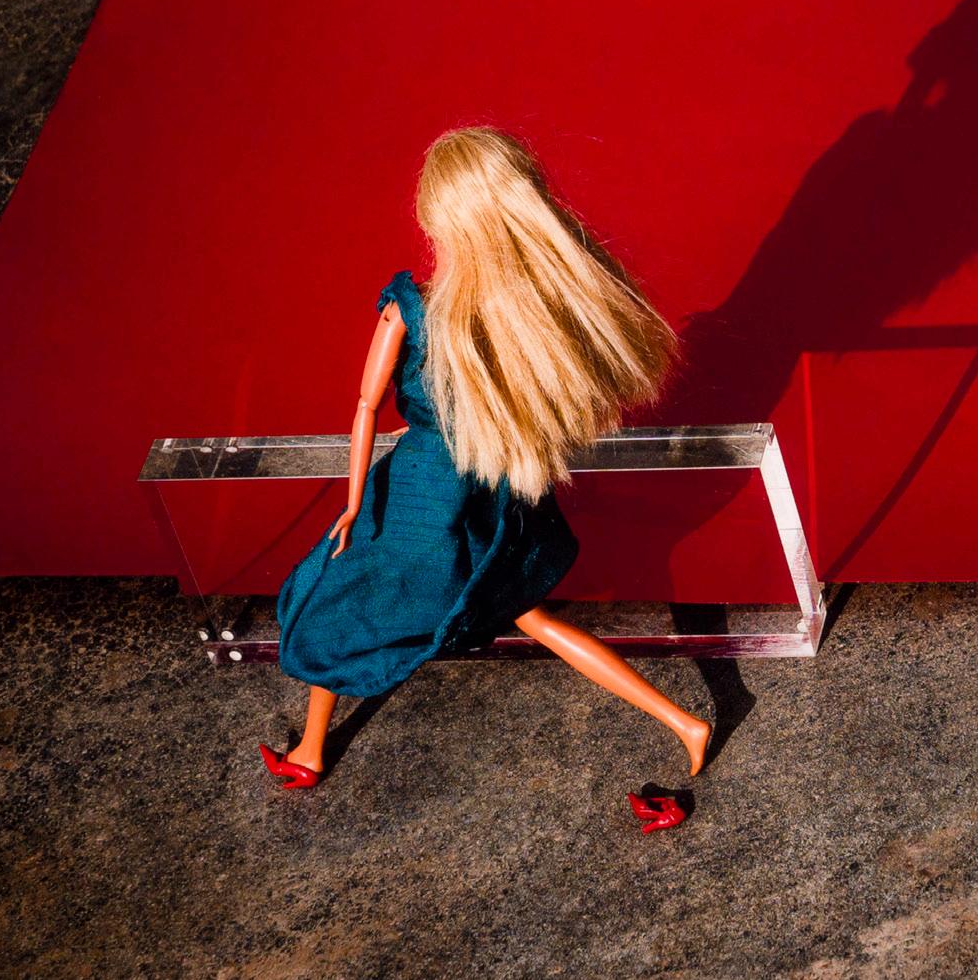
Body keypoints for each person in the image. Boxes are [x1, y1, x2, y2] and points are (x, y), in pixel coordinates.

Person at [258, 126, 712, 790]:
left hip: (421, 497)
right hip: (493, 494)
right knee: (531, 618)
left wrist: (355, 504)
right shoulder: (524, 312)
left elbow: (365, 407)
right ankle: (684, 722)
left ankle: (310, 750)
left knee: (334, 605)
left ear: (440, 218)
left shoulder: (412, 310)